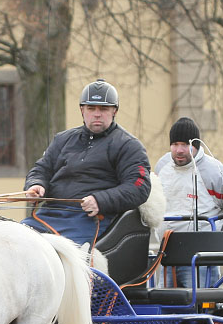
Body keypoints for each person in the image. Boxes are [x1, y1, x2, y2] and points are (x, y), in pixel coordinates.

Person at [23, 79, 151, 247]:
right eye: (91, 108)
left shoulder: (128, 145)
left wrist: (100, 200)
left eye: (103, 108)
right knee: (16, 240)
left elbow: (139, 186)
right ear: (82, 110)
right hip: (49, 214)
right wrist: (36, 184)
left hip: (90, 220)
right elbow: (42, 169)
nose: (97, 114)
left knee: (61, 251)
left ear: (114, 111)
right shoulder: (62, 139)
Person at [154, 117, 223, 288]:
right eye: (175, 144)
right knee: (166, 310)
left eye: (185, 145)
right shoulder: (162, 166)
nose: (179, 150)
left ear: (196, 145)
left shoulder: (213, 172)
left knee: (199, 311)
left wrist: (214, 233)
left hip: (200, 260)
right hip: (166, 256)